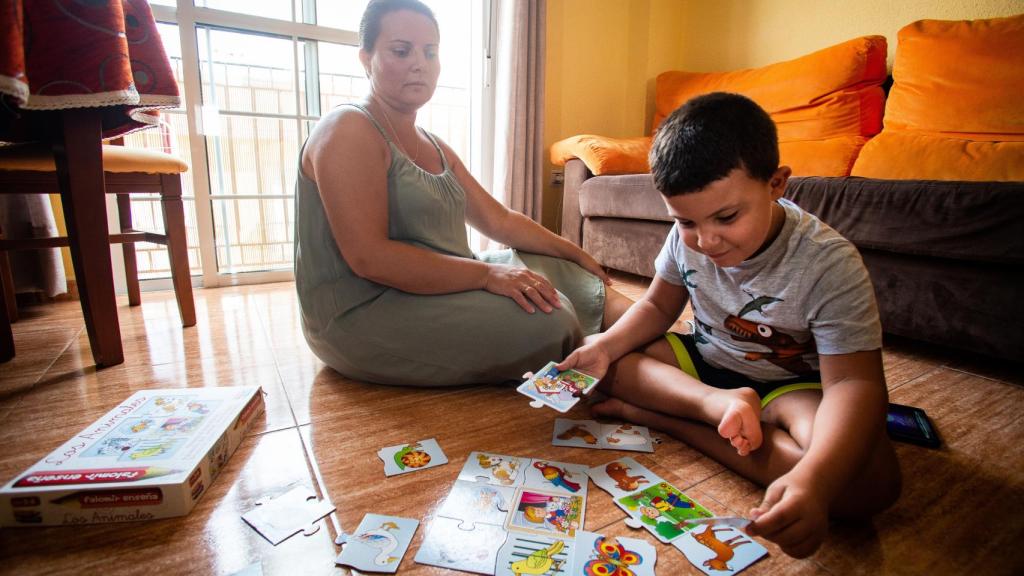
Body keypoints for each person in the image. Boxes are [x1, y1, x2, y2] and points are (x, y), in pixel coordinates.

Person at [558, 92, 901, 557]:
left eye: (726, 217)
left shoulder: (828, 262)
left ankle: (668, 419)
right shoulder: (689, 239)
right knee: (601, 364)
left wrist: (812, 480)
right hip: (705, 365)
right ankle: (716, 407)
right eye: (685, 222)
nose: (706, 240)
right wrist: (605, 347)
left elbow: (853, 383)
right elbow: (658, 308)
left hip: (789, 388)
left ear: (776, 183)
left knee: (870, 486)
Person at [295, 0, 629, 386]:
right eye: (401, 51)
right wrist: (486, 275)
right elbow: (371, 258)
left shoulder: (433, 144)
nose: (419, 63)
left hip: (437, 285)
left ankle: (659, 339)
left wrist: (576, 251)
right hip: (365, 310)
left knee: (559, 270)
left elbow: (500, 220)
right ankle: (610, 357)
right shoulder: (348, 128)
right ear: (365, 57)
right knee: (551, 319)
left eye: (430, 52)